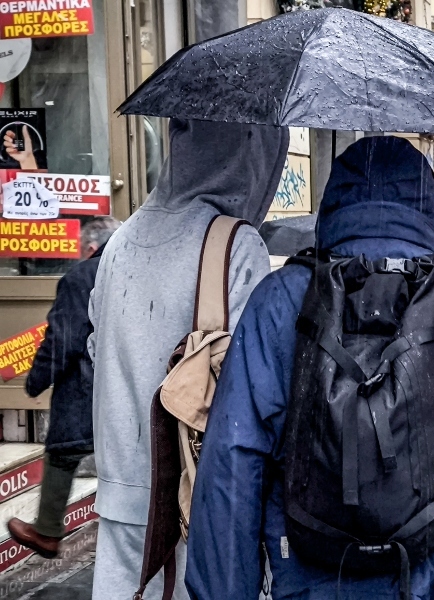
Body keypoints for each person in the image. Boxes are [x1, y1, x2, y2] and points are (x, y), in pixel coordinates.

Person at [184, 136, 434, 599]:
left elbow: (232, 462)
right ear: (430, 204)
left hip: (314, 577)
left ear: (332, 202)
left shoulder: (279, 301)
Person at [87, 119, 287, 599]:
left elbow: (97, 347)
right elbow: (257, 386)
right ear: (250, 156)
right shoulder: (235, 242)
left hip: (120, 489)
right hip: (198, 497)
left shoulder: (120, 240)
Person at [8, 216, 120, 558]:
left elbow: (62, 340)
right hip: (130, 386)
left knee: (62, 451)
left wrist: (36, 380)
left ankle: (47, 530)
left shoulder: (82, 277)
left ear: (89, 247)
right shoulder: (136, 270)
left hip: (88, 387)